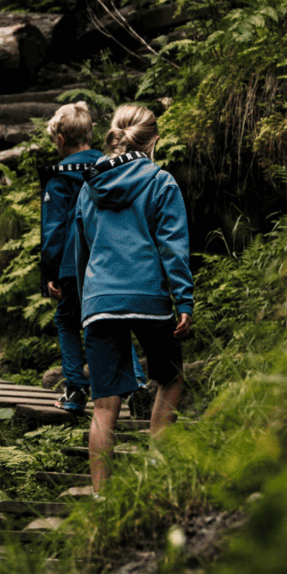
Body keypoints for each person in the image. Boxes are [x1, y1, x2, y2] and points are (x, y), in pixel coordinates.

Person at [61, 104, 194, 491]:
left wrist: (86, 304)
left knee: (104, 406)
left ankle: (101, 498)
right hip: (148, 298)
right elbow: (172, 247)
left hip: (99, 302)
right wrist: (183, 300)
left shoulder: (89, 187)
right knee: (171, 379)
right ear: (154, 140)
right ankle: (158, 473)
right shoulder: (161, 181)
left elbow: (81, 252)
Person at [38, 101, 141, 415]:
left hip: (73, 263)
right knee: (114, 318)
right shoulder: (112, 166)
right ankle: (137, 383)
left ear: (60, 139)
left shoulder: (60, 177)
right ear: (89, 134)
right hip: (112, 258)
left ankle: (75, 388)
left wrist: (50, 271)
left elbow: (54, 229)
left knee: (67, 320)